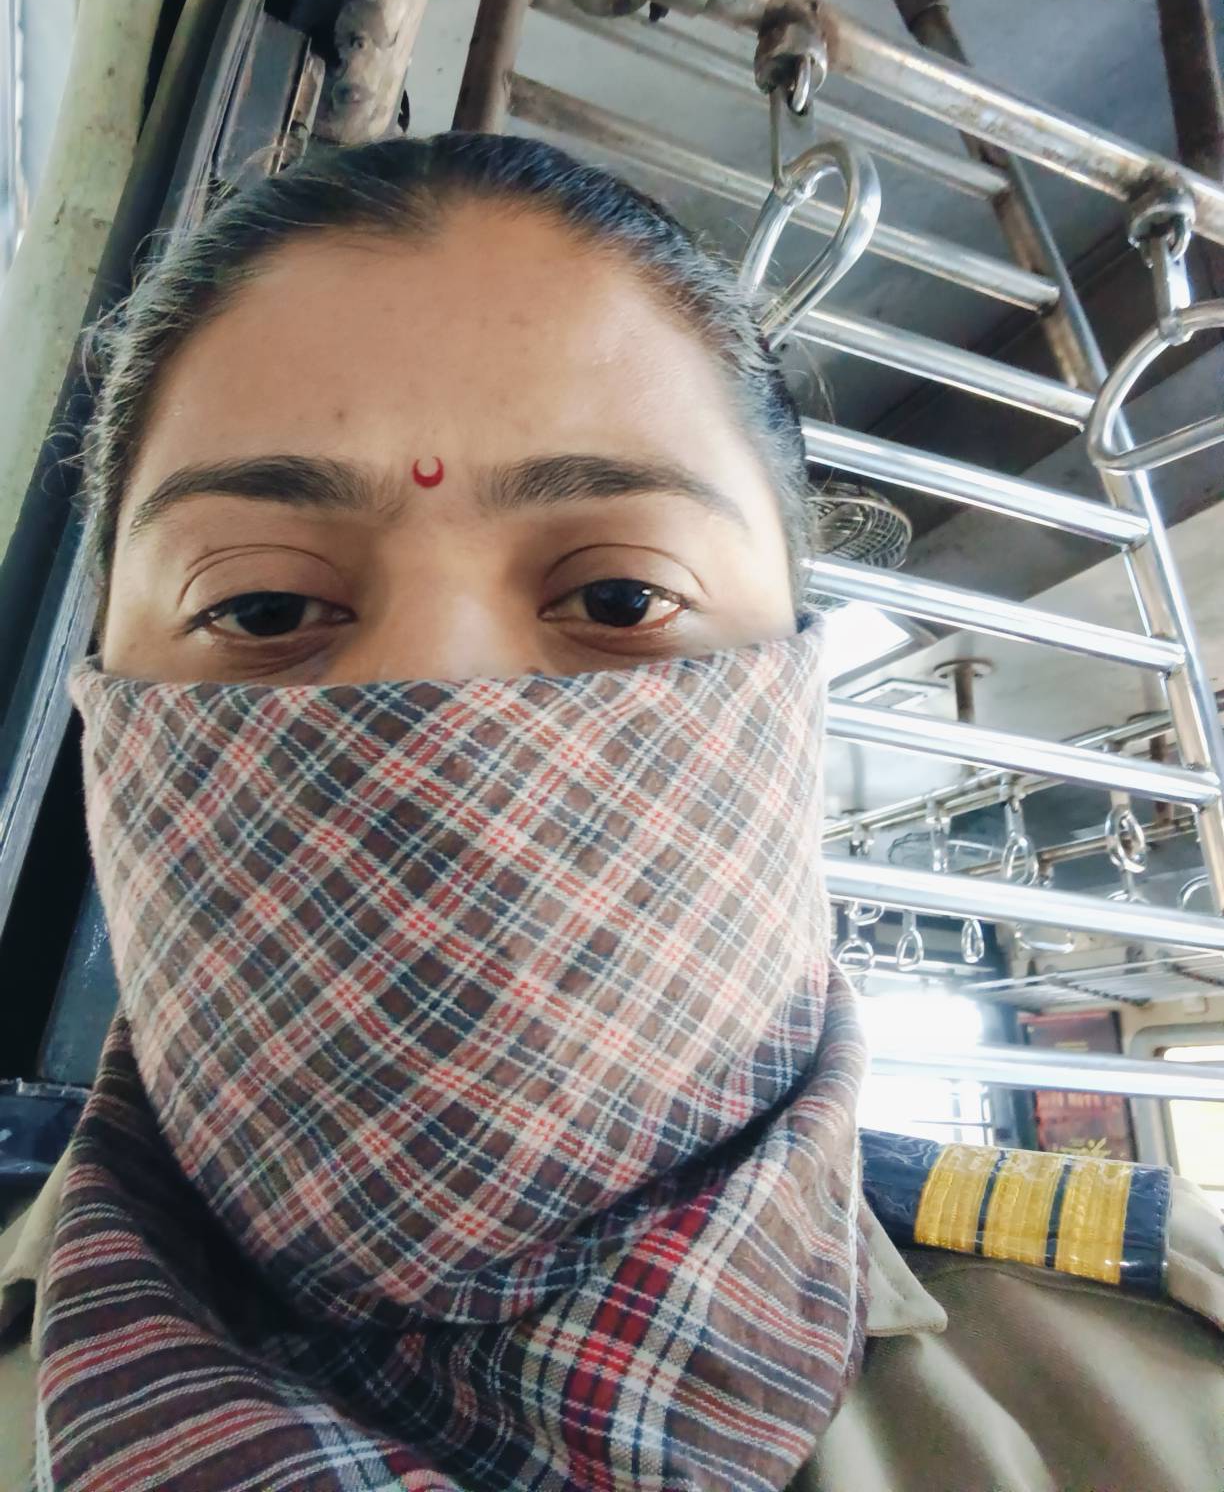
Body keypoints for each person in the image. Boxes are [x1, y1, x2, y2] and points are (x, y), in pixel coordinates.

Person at [0, 134, 1220, 1492]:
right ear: (102, 703)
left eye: (621, 599)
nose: (444, 705)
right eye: (263, 606)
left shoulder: (1175, 1384)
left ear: (796, 691)